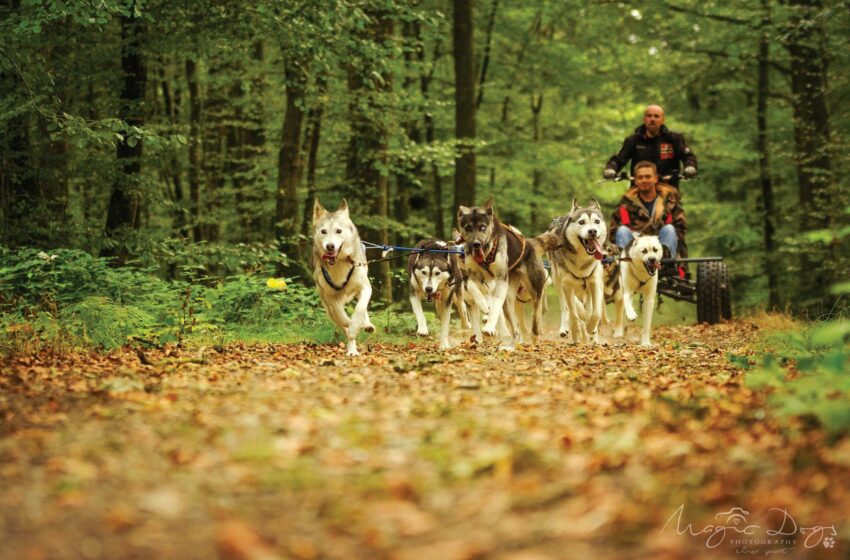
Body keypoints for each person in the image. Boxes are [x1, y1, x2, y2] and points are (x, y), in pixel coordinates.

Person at [604, 104, 697, 189]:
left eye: (656, 116)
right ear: (644, 119)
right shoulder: (633, 140)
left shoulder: (674, 139)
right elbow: (619, 159)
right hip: (639, 189)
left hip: (668, 188)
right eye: (649, 116)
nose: (652, 119)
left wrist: (690, 167)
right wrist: (611, 169)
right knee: (623, 207)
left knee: (674, 207)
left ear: (662, 120)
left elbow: (687, 156)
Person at [609, 161, 686, 261]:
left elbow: (681, 228)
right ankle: (625, 266)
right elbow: (613, 233)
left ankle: (669, 267)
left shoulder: (670, 202)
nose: (644, 180)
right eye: (640, 177)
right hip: (635, 255)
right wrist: (640, 240)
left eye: (648, 176)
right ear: (635, 181)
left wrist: (654, 242)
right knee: (622, 230)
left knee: (670, 229)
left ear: (656, 178)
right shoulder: (625, 205)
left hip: (661, 254)